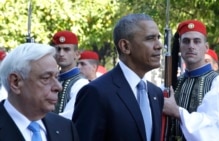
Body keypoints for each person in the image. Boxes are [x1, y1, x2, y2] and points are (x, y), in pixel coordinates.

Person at [72, 13, 164, 141]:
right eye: (150, 38)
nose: (159, 45)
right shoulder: (96, 93)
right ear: (125, 46)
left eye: (158, 37)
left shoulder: (155, 94)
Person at [162, 20, 219, 141]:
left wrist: (178, 113)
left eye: (197, 41)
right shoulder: (173, 84)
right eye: (186, 41)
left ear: (206, 47)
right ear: (180, 46)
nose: (191, 46)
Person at [0, 43, 79, 141]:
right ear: (15, 82)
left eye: (56, 77)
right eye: (46, 78)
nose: (58, 87)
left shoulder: (65, 128)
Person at [51, 30, 89, 119]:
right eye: (58, 49)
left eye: (66, 49)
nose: (61, 54)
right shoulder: (53, 79)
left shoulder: (81, 83)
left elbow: (68, 117)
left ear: (77, 54)